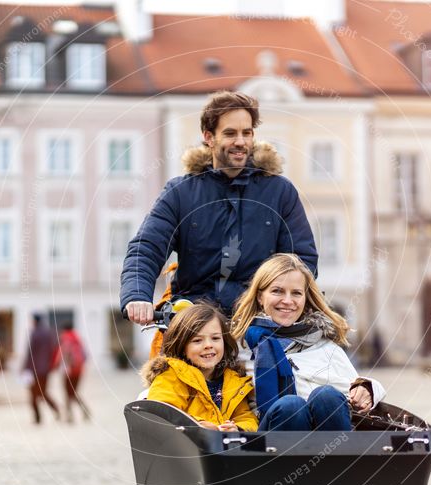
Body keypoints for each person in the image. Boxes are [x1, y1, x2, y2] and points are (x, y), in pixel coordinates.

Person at [121, 91, 318, 324]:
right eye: (230, 133)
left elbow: (301, 259)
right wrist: (137, 294)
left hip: (258, 321)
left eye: (247, 133)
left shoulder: (280, 191)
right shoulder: (180, 193)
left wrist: (281, 300)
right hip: (194, 320)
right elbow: (146, 248)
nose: (240, 142)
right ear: (208, 137)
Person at [231, 254, 386, 431]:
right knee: (290, 405)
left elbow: (356, 390)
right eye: (277, 291)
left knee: (326, 395)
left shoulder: (326, 347)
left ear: (305, 299)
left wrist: (367, 389)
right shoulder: (238, 348)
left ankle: (337, 457)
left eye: (296, 293)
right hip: (267, 444)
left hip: (327, 440)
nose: (287, 301)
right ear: (260, 297)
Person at [142, 303, 258, 432]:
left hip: (224, 448)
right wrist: (197, 424)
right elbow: (163, 412)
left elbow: (246, 417)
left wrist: (238, 428)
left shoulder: (234, 381)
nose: (208, 345)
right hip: (186, 446)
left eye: (215, 338)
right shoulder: (172, 375)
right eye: (197, 340)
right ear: (182, 346)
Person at [23, 313, 61, 424]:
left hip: (35, 369)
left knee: (33, 394)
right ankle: (56, 409)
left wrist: (25, 367)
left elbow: (30, 353)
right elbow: (54, 349)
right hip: (46, 369)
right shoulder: (49, 333)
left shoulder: (35, 333)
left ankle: (38, 417)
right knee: (43, 392)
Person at [52, 321, 91, 423]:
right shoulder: (77, 338)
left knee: (67, 393)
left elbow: (60, 354)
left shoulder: (65, 339)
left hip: (68, 371)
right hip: (79, 370)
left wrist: (54, 366)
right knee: (74, 393)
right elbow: (85, 356)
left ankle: (70, 416)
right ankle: (85, 411)